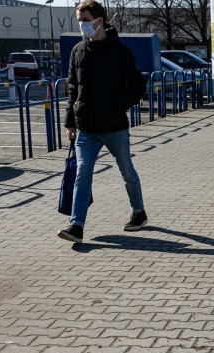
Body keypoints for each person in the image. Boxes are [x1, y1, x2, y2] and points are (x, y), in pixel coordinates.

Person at [57, 0, 147, 244]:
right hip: (86, 127)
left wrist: (118, 104)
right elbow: (73, 89)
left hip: (114, 127)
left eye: (85, 20)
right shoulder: (78, 51)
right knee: (82, 175)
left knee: (126, 170)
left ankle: (138, 212)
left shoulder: (120, 52)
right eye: (79, 21)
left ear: (100, 20)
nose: (81, 25)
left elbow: (138, 85)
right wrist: (70, 123)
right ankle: (76, 226)